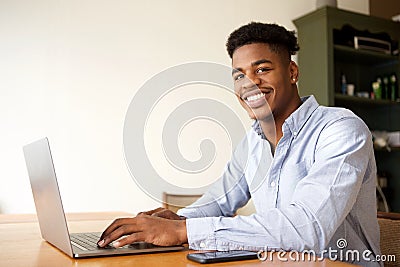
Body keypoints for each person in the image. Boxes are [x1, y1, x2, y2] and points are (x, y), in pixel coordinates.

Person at [98, 22, 381, 265]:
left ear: (292, 72)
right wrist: (174, 220)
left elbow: (306, 228)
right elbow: (219, 201)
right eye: (239, 75)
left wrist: (185, 232)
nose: (249, 84)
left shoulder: (340, 129)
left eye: (262, 69)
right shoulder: (253, 142)